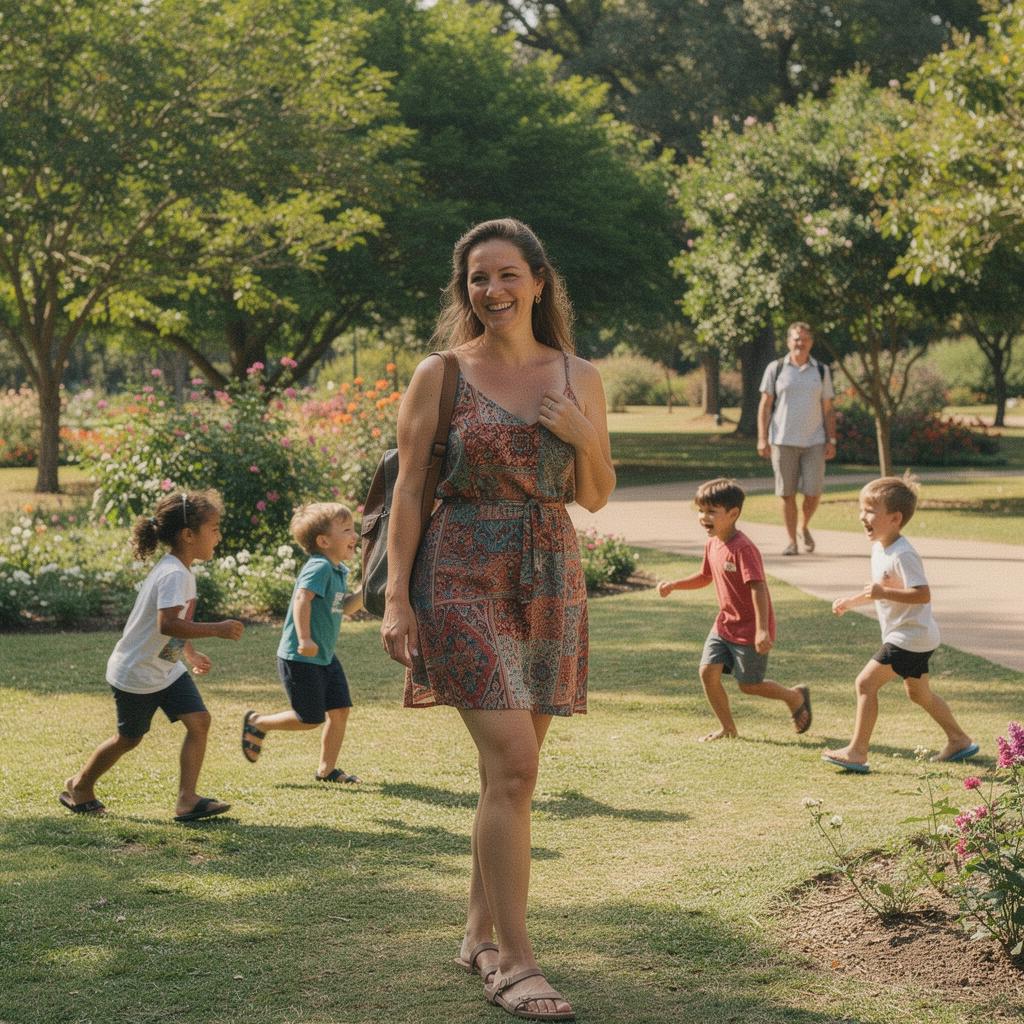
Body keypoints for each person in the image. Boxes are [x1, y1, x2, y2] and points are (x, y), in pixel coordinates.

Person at [381, 218, 614, 1021]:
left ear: (539, 281)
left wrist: (582, 434)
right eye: (479, 279)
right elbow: (410, 488)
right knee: (514, 767)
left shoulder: (579, 376)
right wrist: (394, 596)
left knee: (505, 776)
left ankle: (478, 932)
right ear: (465, 289)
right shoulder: (440, 373)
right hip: (459, 570)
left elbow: (594, 493)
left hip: (549, 571)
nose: (494, 291)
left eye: (509, 275)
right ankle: (515, 961)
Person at [60, 490, 243, 821]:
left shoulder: (181, 570)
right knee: (129, 738)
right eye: (214, 528)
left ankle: (187, 800)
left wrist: (189, 652)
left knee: (199, 721)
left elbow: (178, 626)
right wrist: (217, 628)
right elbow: (168, 622)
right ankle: (79, 786)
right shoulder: (174, 573)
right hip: (137, 673)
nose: (219, 535)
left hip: (165, 669)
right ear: (188, 535)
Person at [823, 476, 978, 773]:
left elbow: (922, 594)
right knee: (918, 694)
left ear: (895, 518)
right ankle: (959, 740)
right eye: (862, 509)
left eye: (870, 510)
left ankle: (857, 752)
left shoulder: (903, 553)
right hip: (914, 636)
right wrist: (851, 601)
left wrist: (883, 592)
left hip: (909, 637)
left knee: (865, 683)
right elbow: (879, 589)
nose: (862, 516)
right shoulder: (881, 547)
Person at [658, 478, 811, 742]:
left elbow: (758, 588)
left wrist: (762, 629)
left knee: (749, 685)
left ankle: (794, 696)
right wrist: (675, 585)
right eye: (701, 511)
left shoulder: (743, 548)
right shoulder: (713, 543)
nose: (703, 517)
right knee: (707, 672)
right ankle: (728, 728)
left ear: (733, 514)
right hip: (724, 625)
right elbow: (705, 576)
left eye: (711, 512)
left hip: (750, 629)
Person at [240, 502, 364, 782]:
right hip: (301, 657)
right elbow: (302, 599)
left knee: (340, 710)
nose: (354, 536)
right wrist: (305, 638)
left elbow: (344, 607)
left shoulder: (338, 570)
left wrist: (368, 588)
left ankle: (327, 770)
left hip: (325, 656)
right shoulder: (319, 567)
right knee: (310, 718)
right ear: (323, 541)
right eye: (347, 530)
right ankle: (257, 723)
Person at [757, 322, 837, 555]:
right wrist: (762, 438)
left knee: (813, 491)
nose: (799, 343)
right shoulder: (777, 368)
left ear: (811, 342)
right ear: (788, 341)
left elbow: (828, 408)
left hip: (815, 441)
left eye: (804, 339)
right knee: (786, 492)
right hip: (782, 440)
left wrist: (831, 440)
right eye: (795, 339)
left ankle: (803, 526)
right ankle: (791, 541)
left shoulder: (821, 370)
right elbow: (765, 405)